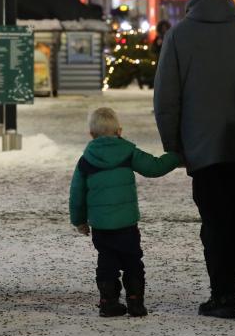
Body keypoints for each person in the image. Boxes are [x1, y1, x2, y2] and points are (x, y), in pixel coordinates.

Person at [152, 0, 235, 318]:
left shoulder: (179, 36)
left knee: (215, 223)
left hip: (203, 149)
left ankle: (223, 294)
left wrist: (174, 146)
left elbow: (166, 99)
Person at [70, 106, 180, 318]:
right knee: (132, 261)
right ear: (119, 131)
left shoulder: (86, 161)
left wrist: (79, 221)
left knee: (106, 262)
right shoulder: (128, 153)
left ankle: (108, 302)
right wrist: (176, 156)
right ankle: (135, 302)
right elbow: (154, 167)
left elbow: (76, 194)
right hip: (127, 224)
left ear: (91, 134)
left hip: (101, 226)